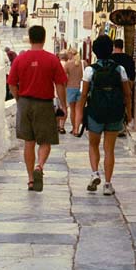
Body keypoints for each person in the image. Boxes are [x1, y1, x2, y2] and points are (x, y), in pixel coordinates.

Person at [8, 25, 68, 192]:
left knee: (29, 142)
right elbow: (60, 84)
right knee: (45, 141)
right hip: (44, 103)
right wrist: (64, 105)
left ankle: (30, 180)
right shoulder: (52, 59)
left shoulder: (20, 59)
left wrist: (18, 98)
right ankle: (39, 166)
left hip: (25, 102)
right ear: (44, 38)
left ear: (30, 38)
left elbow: (12, 83)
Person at [75, 35, 132, 196]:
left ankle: (94, 173)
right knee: (110, 149)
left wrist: (78, 119)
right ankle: (107, 184)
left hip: (95, 113)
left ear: (94, 51)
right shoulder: (119, 69)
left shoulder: (90, 70)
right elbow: (127, 94)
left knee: (93, 145)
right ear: (111, 49)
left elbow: (84, 95)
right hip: (114, 114)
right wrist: (129, 113)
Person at [110, 39, 136, 135]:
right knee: (125, 104)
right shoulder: (128, 58)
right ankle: (125, 123)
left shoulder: (110, 58)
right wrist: (131, 84)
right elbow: (133, 73)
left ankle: (116, 126)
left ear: (114, 46)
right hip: (126, 83)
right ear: (122, 47)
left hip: (114, 85)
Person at [64, 47, 86, 135]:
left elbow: (64, 78)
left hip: (70, 88)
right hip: (81, 88)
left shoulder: (67, 64)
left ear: (70, 54)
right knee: (79, 110)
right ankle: (77, 129)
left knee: (72, 110)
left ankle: (74, 128)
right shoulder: (83, 63)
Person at [56, 50, 69, 134]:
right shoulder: (68, 64)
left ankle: (57, 125)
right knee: (64, 108)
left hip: (55, 90)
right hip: (65, 89)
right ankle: (62, 126)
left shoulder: (56, 64)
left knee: (57, 109)